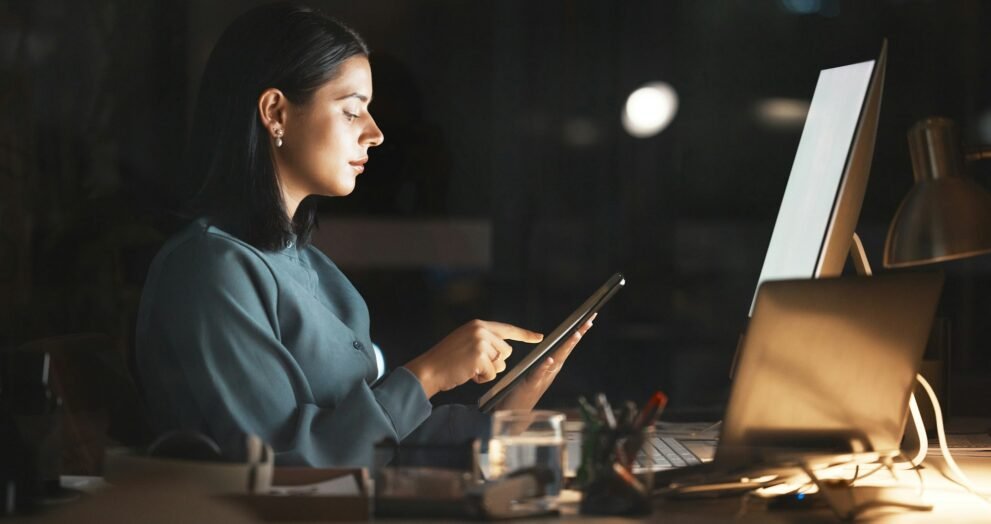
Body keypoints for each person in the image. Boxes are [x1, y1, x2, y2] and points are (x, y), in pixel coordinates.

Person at [134, 1, 594, 468]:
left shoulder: (312, 267)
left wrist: (510, 406)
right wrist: (427, 374)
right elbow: (283, 465)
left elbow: (378, 440)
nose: (375, 133)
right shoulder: (210, 270)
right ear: (276, 112)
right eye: (353, 112)